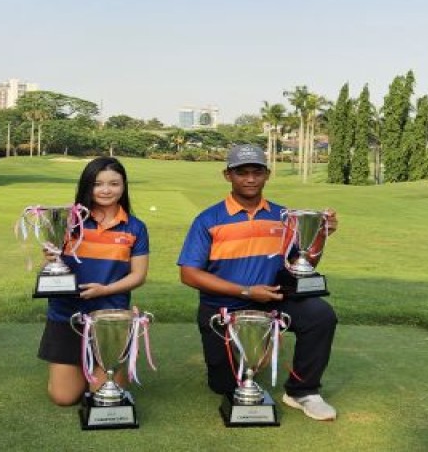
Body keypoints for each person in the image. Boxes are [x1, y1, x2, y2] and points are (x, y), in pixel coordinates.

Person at [177, 143, 339, 421]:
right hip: (223, 307)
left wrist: (321, 235)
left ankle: (303, 391)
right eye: (242, 172)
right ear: (227, 175)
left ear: (267, 174)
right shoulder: (208, 219)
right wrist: (246, 290)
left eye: (257, 172)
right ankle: (256, 350)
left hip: (274, 300)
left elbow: (302, 266)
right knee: (223, 386)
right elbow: (189, 274)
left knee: (320, 315)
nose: (250, 179)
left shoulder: (284, 216)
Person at [38, 156, 150, 406]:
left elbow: (138, 275)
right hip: (66, 315)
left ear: (123, 187)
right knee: (64, 397)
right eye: (98, 184)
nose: (106, 190)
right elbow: (50, 270)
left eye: (114, 183)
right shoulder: (68, 221)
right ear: (87, 186)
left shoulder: (135, 227)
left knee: (104, 396)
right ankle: (74, 365)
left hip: (110, 318)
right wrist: (49, 258)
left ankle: (108, 361)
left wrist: (105, 290)